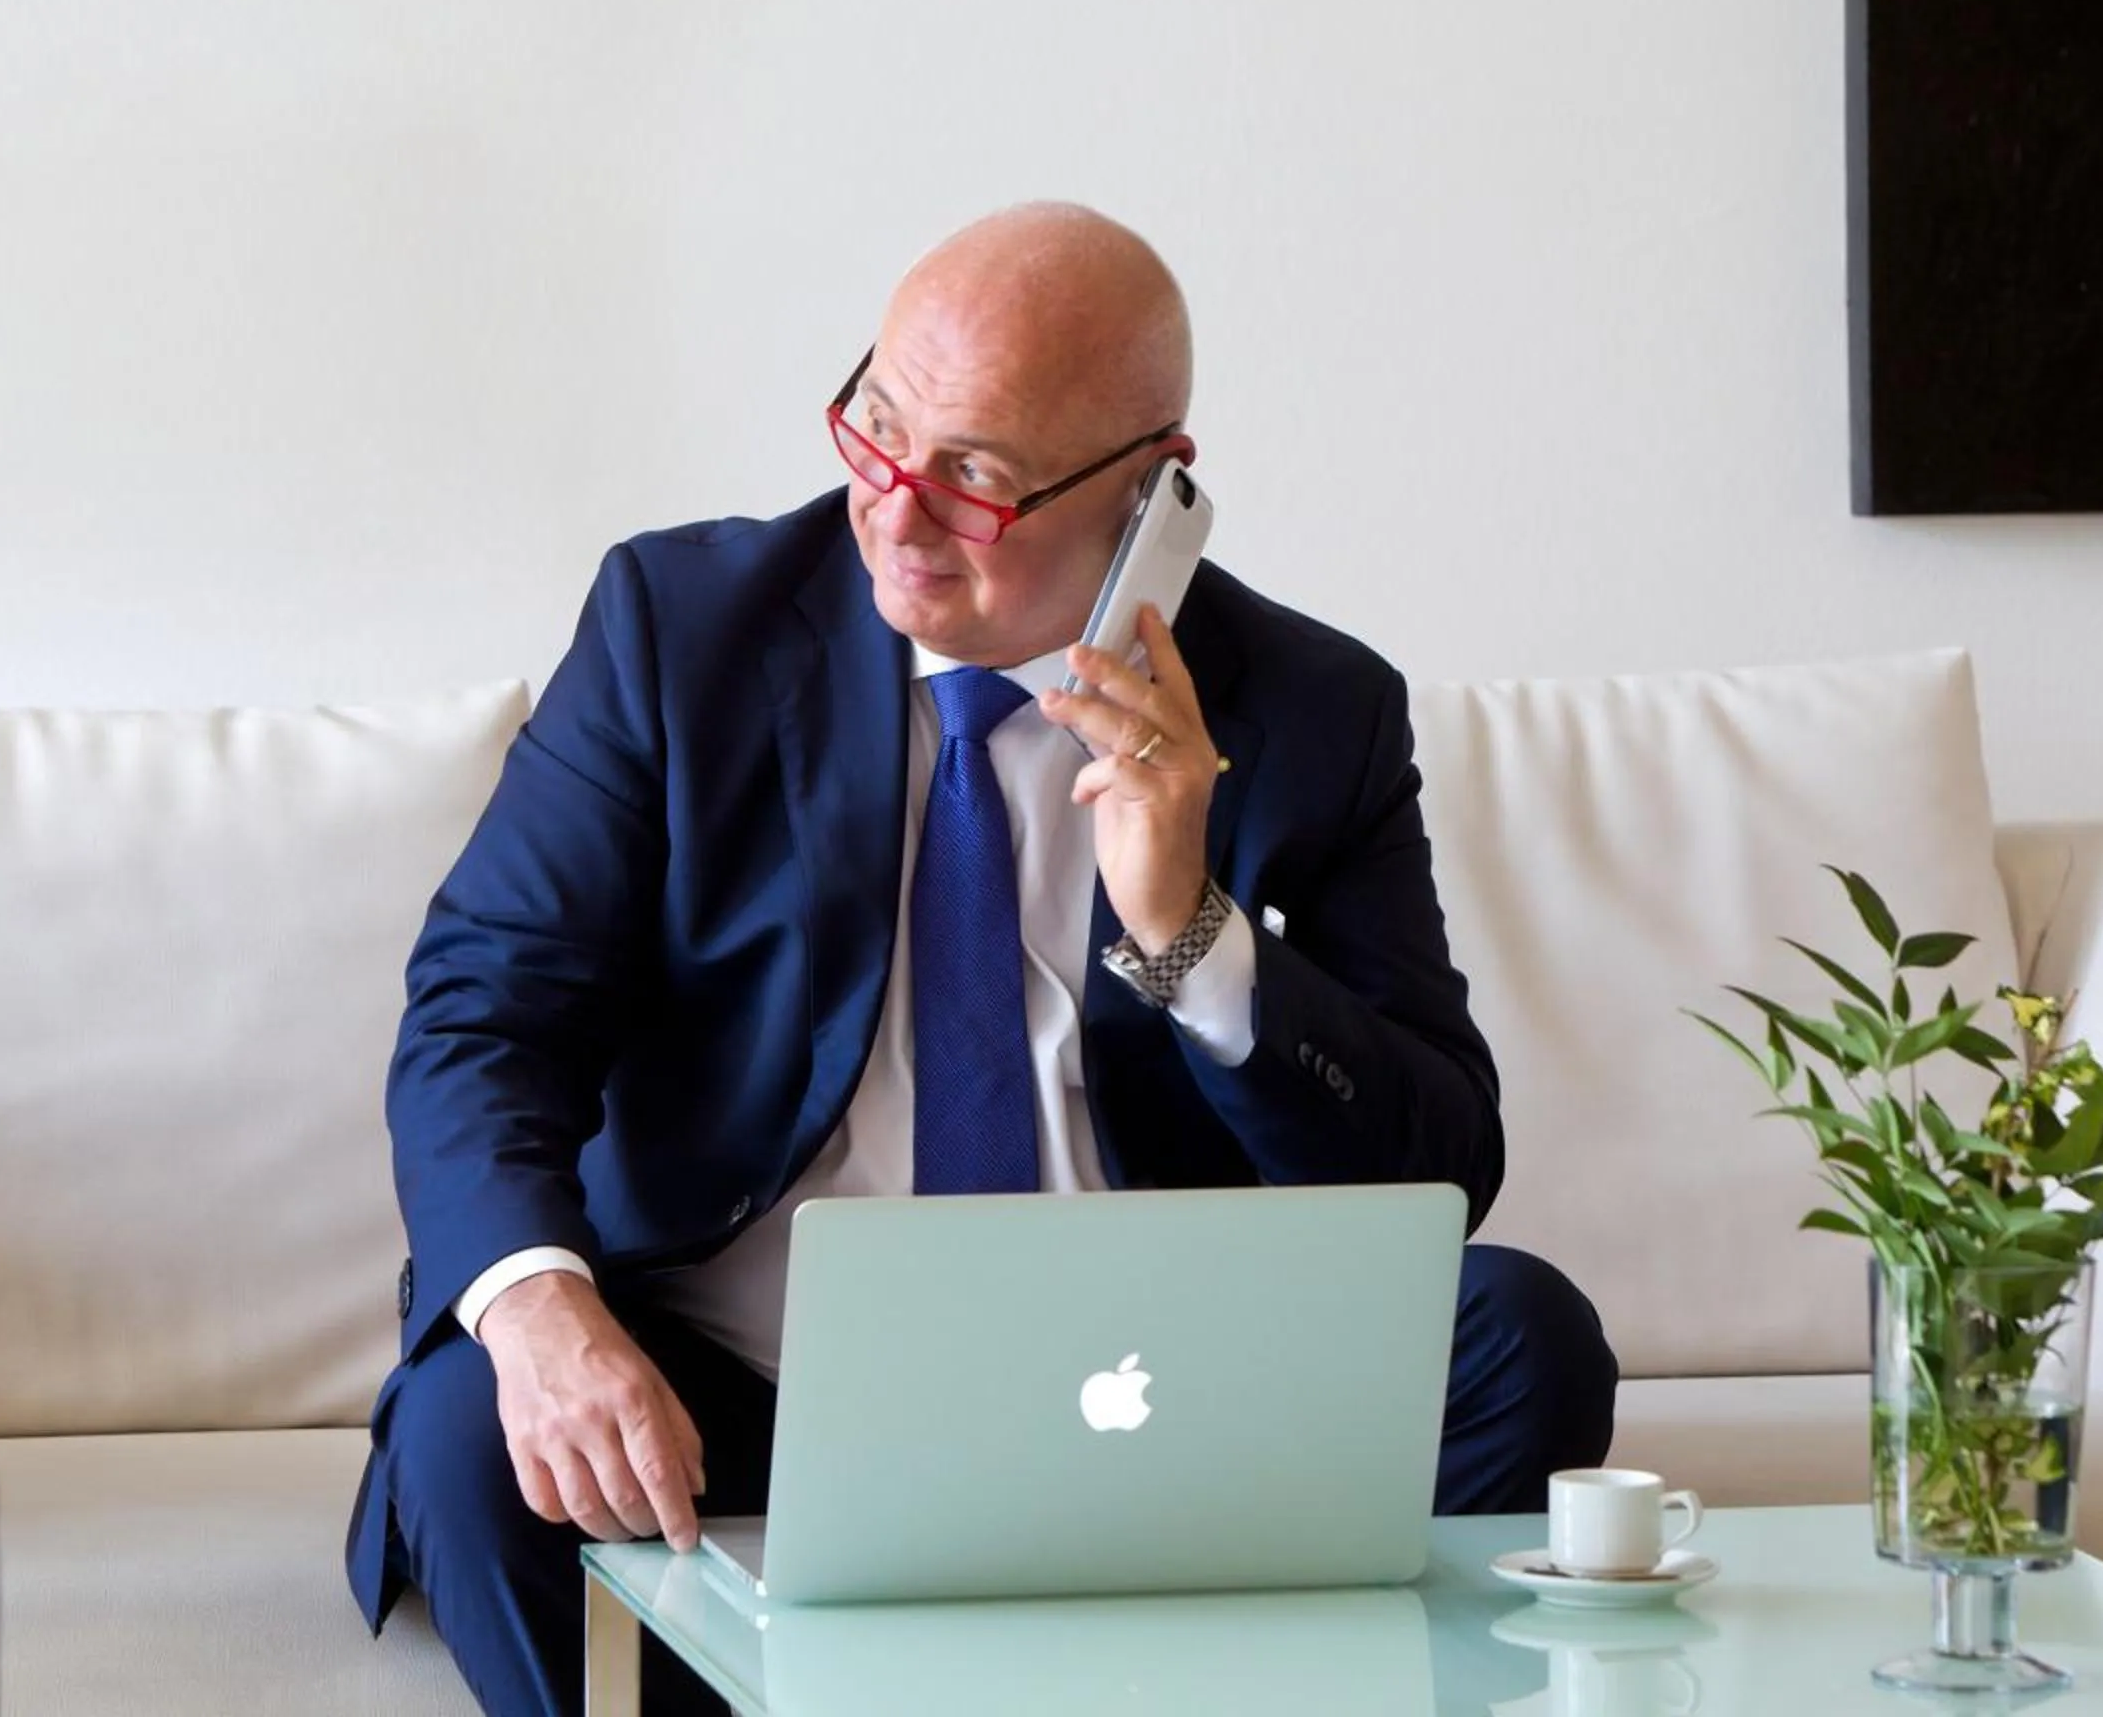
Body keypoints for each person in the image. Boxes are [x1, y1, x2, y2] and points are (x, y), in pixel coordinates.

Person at [344, 203, 1616, 1715]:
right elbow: (483, 1018)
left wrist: (1189, 932)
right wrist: (543, 1313)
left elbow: (1442, 1165)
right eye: (877, 428)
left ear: (1151, 490)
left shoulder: (1308, 710)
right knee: (467, 1435)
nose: (891, 509)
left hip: (1135, 1399)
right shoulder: (682, 631)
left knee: (1521, 1339)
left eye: (973, 479)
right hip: (737, 1387)